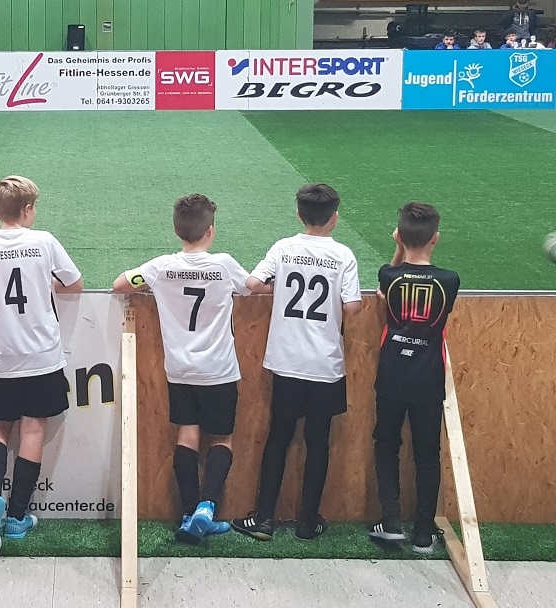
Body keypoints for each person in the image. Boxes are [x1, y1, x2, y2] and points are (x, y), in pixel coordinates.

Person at [0, 175, 83, 560]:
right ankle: (18, 516)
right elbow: (74, 283)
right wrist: (47, 285)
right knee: (33, 429)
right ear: (27, 210)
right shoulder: (44, 242)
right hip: (41, 356)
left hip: (1, 357)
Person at [113, 194, 249, 544]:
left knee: (187, 434)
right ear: (211, 230)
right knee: (222, 437)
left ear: (176, 230)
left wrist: (149, 283)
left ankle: (189, 513)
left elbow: (120, 284)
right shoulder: (224, 265)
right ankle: (207, 507)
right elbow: (253, 287)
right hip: (219, 369)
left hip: (180, 369)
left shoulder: (161, 267)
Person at [231, 183, 361, 541]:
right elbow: (352, 307)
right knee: (318, 442)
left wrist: (280, 288)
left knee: (279, 437)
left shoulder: (284, 248)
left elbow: (253, 283)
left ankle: (264, 519)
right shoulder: (343, 255)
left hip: (287, 360)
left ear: (299, 214)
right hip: (325, 364)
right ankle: (307, 523)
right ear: (334, 218)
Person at [368, 203, 459, 555]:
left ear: (400, 236)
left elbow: (388, 284)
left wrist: (398, 249)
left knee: (386, 444)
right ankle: (423, 533)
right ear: (435, 238)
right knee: (427, 454)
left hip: (392, 373)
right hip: (428, 378)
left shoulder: (388, 276)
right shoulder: (449, 280)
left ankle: (391, 522)